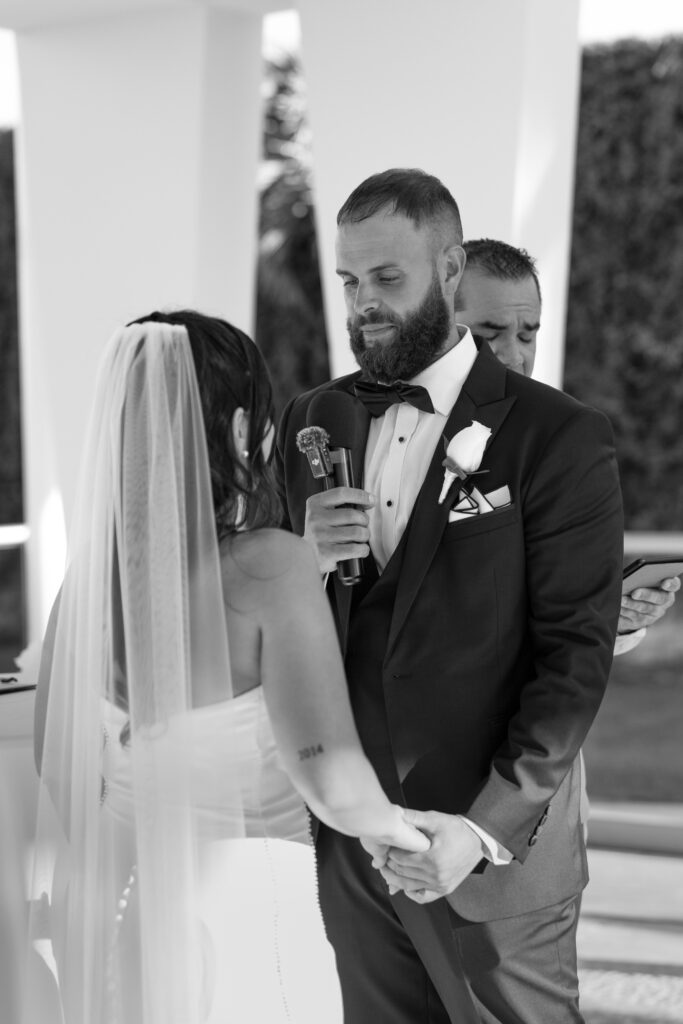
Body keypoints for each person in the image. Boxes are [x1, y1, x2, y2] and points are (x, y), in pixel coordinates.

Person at [275, 168, 625, 1024]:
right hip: (358, 848)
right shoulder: (312, 418)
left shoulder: (558, 435)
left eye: (386, 277)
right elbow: (280, 630)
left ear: (449, 267)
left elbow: (572, 660)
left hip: (493, 860)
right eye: (349, 281)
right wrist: (302, 560)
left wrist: (479, 830)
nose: (363, 302)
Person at [30, 311, 429, 1024]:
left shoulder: (87, 583)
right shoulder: (268, 567)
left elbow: (58, 768)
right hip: (243, 908)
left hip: (113, 910)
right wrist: (413, 837)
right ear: (243, 429)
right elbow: (332, 780)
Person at [453, 237, 680, 651]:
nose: (513, 356)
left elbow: (573, 609)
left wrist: (616, 621)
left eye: (527, 336)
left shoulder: (565, 442)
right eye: (489, 335)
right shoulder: (385, 424)